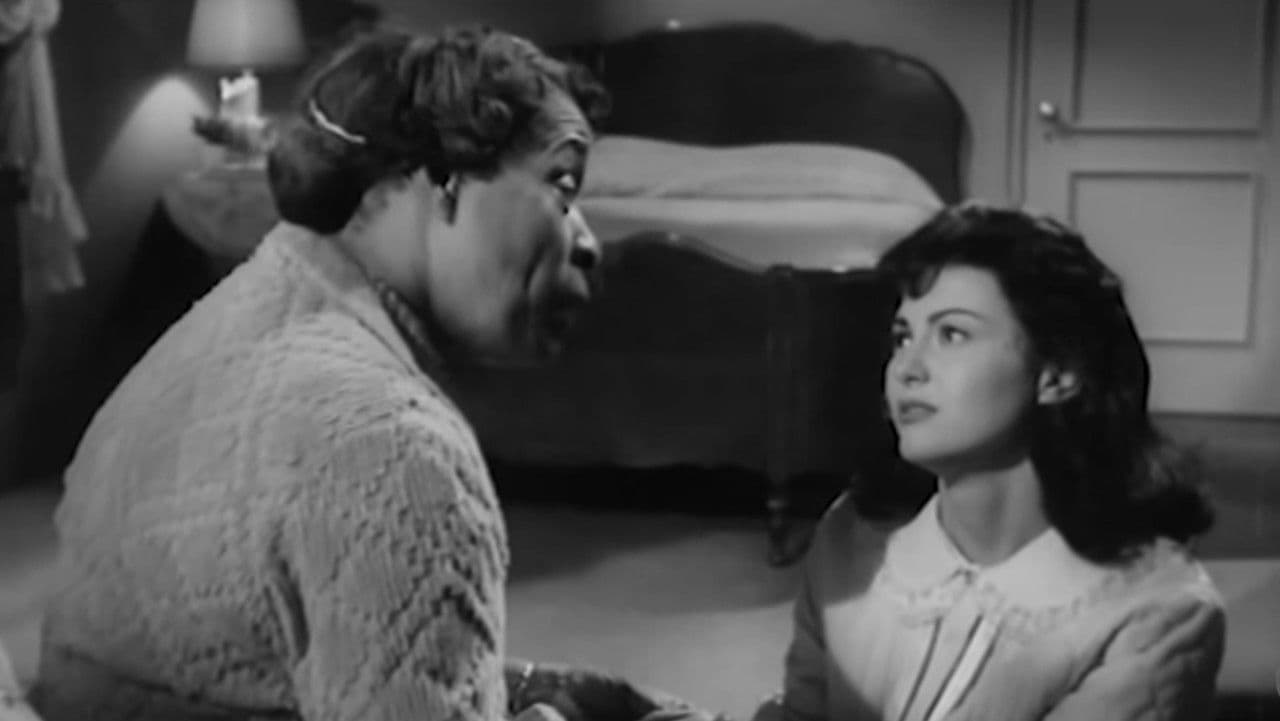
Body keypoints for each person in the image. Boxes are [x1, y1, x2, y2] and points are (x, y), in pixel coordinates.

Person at [33, 25, 701, 721]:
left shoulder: (224, 322)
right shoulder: (396, 451)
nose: (587, 241)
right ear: (442, 179)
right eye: (561, 186)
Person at [766, 203, 1225, 721]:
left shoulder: (1157, 612)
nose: (907, 369)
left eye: (952, 334)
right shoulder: (852, 538)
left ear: (1057, 374)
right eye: (903, 337)